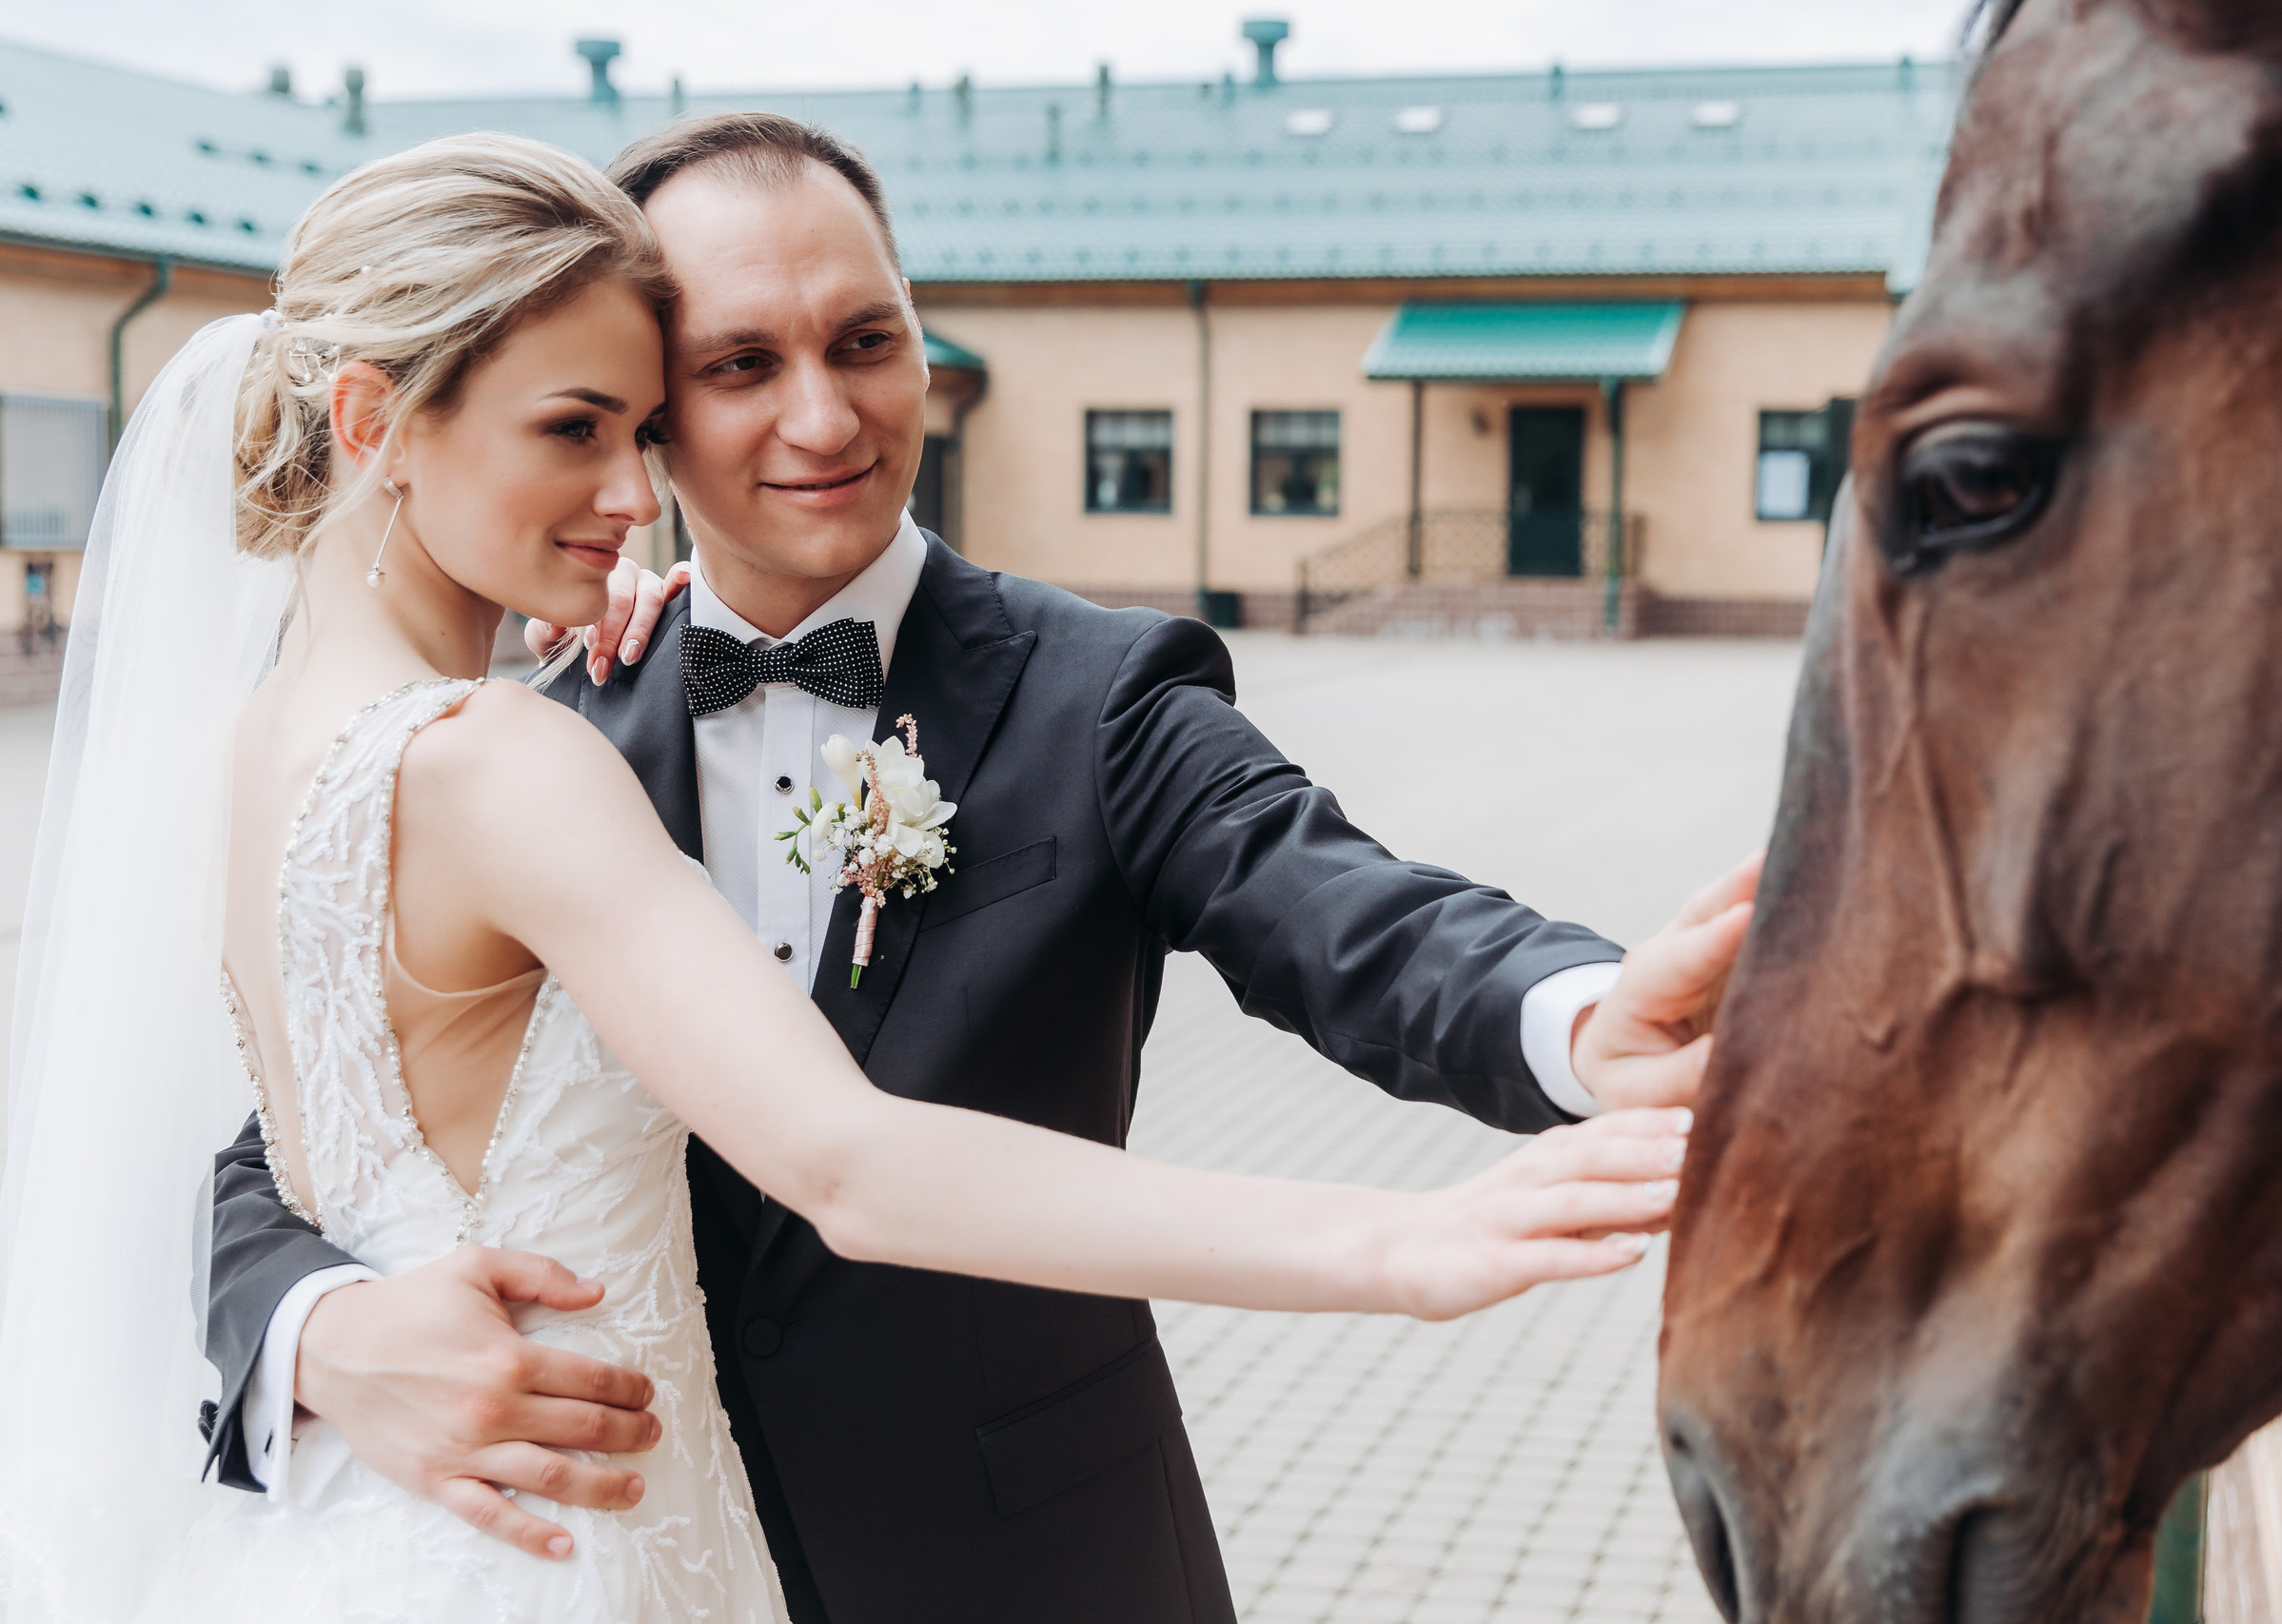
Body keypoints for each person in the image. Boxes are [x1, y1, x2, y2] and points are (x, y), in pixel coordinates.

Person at [155, 121, 1758, 1624]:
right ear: (660, 398)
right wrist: (323, 1331)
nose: (823, 416)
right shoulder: (537, 720)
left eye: (865, 339)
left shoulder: (1102, 691)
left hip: (1034, 1555)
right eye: (735, 367)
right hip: (606, 1542)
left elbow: (1338, 901)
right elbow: (309, 1119)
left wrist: (1580, 1013)